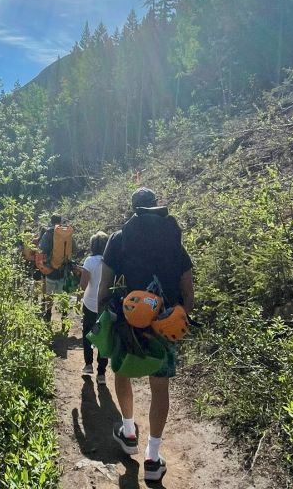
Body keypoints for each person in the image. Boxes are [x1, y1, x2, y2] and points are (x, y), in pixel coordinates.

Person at [97, 187, 194, 483]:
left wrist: (106, 315)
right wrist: (180, 319)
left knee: (123, 373)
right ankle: (153, 457)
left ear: (133, 209)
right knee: (160, 386)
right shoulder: (172, 237)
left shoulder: (119, 238)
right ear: (156, 207)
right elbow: (187, 286)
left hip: (129, 321)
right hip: (164, 323)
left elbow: (104, 287)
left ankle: (128, 433)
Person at [79, 231, 111, 384]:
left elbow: (83, 284)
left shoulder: (89, 261)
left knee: (87, 333)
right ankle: (101, 374)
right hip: (105, 305)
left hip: (90, 303)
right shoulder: (111, 261)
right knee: (104, 337)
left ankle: (88, 364)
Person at [38, 214, 64, 322]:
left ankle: (48, 315)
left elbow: (41, 249)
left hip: (51, 269)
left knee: (49, 294)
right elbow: (74, 249)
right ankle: (64, 316)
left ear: (51, 221)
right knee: (63, 294)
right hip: (64, 270)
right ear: (60, 221)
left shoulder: (48, 233)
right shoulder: (66, 232)